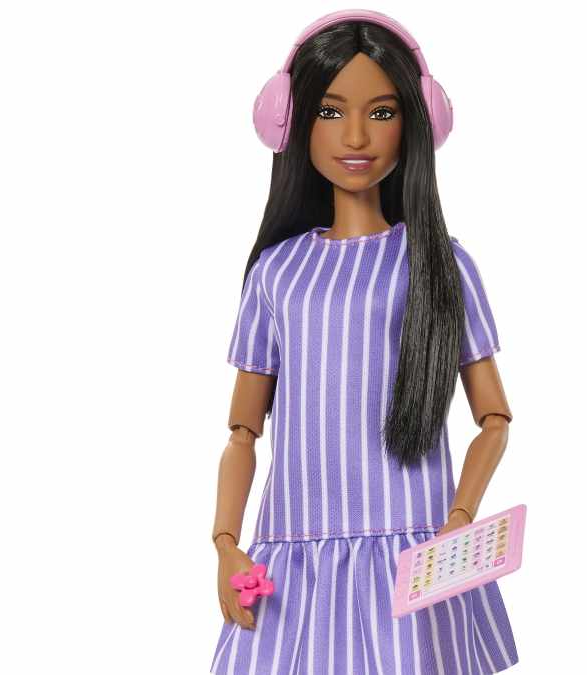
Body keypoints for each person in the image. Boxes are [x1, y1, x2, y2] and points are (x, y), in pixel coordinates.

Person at [210, 10, 519, 673]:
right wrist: (226, 542)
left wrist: (460, 518)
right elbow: (242, 431)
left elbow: (493, 418)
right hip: (293, 554)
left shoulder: (439, 265)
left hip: (414, 559)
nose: (355, 135)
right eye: (330, 112)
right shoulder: (277, 272)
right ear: (289, 123)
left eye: (381, 113)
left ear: (418, 121)